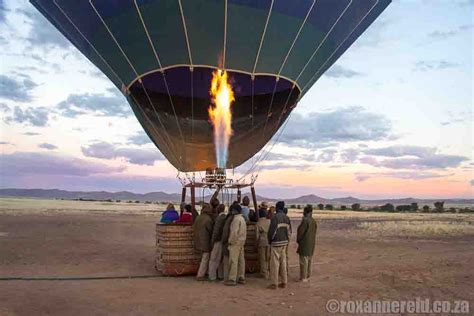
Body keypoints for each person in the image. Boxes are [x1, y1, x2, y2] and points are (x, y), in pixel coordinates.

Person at [267, 201, 291, 289]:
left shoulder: (275, 218)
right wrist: (287, 240)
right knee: (283, 263)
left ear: (277, 208)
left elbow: (272, 232)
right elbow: (289, 231)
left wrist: (270, 241)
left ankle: (274, 283)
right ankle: (284, 282)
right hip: (284, 243)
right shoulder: (286, 218)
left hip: (276, 243)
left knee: (274, 264)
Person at [225, 202, 247, 286]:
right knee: (241, 261)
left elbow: (234, 233)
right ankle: (241, 277)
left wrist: (230, 241)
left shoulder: (236, 220)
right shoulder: (242, 219)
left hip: (235, 242)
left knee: (233, 261)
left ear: (234, 211)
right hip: (241, 242)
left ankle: (232, 279)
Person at [193, 203, 214, 281]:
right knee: (205, 258)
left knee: (202, 258)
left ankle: (202, 272)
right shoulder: (208, 219)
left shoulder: (198, 217)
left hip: (197, 240)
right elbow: (211, 230)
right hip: (205, 241)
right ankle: (200, 275)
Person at [297, 205, 317, 282]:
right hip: (311, 243)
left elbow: (300, 232)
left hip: (304, 243)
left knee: (303, 261)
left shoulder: (305, 220)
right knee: (309, 260)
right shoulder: (313, 221)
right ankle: (308, 275)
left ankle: (303, 277)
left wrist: (299, 240)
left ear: (306, 212)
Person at [208, 204, 226, 281]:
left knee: (213, 259)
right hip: (223, 240)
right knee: (221, 259)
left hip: (218, 240)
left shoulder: (219, 218)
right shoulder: (225, 217)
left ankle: (212, 276)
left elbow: (216, 230)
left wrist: (212, 241)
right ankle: (221, 275)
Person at [221, 206, 237, 282]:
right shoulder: (239, 219)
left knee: (227, 261)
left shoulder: (229, 220)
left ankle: (227, 278)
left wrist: (224, 241)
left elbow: (225, 232)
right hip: (236, 243)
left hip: (228, 242)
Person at [255, 202, 270, 279]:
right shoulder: (269, 221)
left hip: (262, 241)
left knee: (262, 258)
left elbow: (257, 235)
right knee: (267, 257)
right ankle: (267, 271)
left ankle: (263, 273)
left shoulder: (258, 223)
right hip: (269, 241)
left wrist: (256, 243)